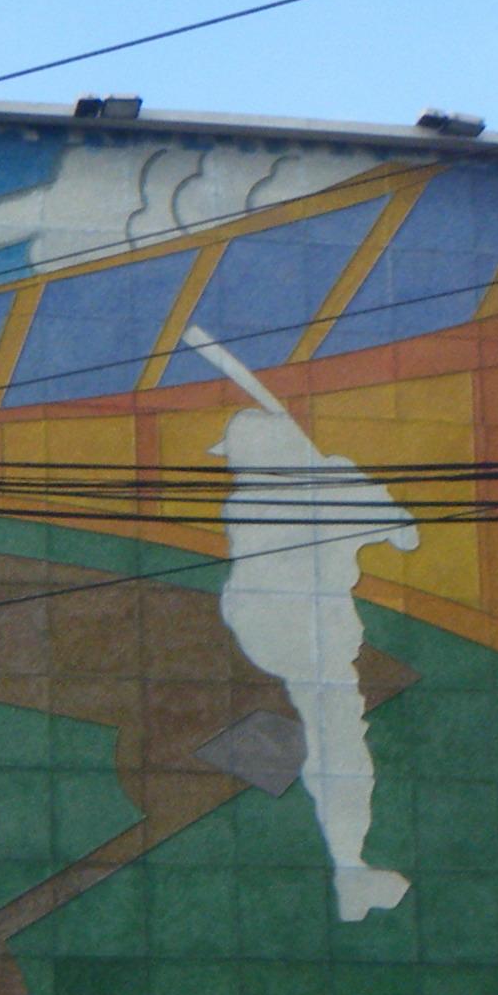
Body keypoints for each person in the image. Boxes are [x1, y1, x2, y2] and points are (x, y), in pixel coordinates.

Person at [187, 328, 421, 920]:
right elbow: (402, 534)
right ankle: (349, 868)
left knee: (324, 723)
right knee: (339, 738)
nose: (233, 463)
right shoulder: (287, 492)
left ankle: (347, 864)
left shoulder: (311, 485)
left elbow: (399, 531)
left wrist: (361, 498)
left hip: (269, 629)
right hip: (299, 627)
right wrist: (364, 497)